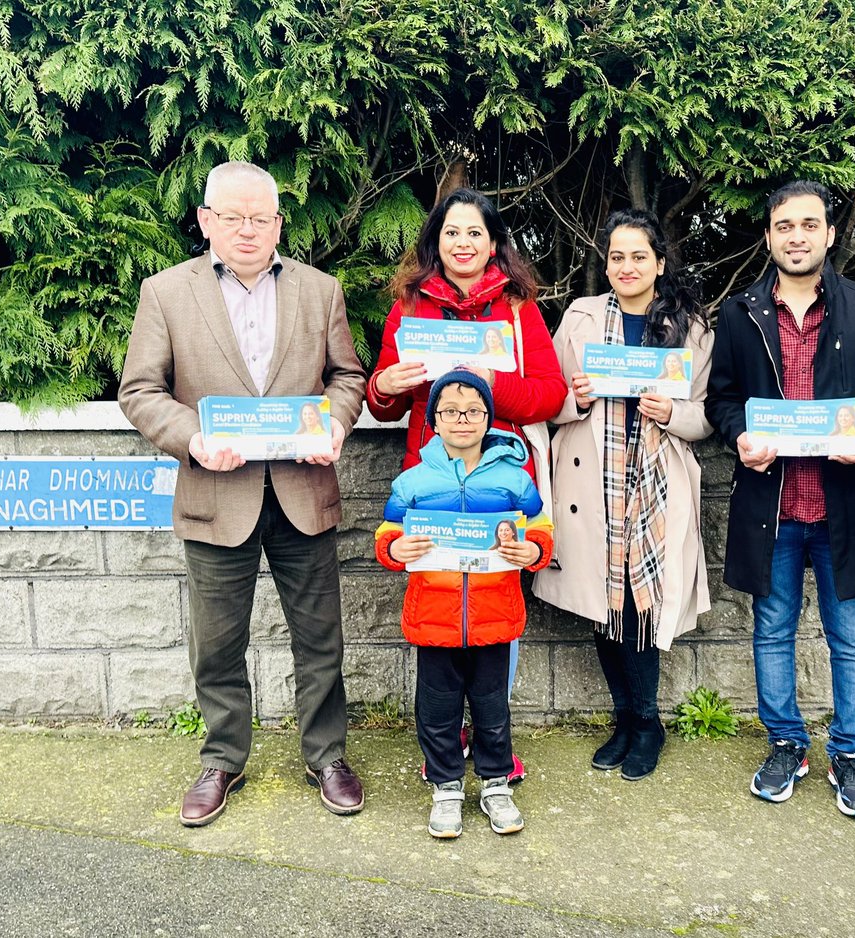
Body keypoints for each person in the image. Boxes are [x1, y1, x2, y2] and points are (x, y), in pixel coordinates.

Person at [119, 161, 368, 827]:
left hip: (301, 488)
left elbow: (348, 375)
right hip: (214, 493)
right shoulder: (167, 292)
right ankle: (223, 756)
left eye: (261, 217)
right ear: (206, 221)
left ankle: (327, 755)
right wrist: (193, 438)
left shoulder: (321, 290)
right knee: (217, 643)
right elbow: (140, 390)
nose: (249, 229)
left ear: (279, 223)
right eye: (233, 217)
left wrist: (334, 424)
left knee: (320, 639)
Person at [705, 180, 855, 817]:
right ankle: (785, 744)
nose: (796, 236)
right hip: (772, 510)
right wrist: (740, 435)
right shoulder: (741, 312)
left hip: (844, 509)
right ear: (770, 236)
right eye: (784, 226)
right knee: (771, 632)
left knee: (850, 637)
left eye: (809, 225)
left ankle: (851, 753)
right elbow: (720, 398)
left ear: (830, 235)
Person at [368, 187, 567, 783]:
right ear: (436, 241)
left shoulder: (517, 308)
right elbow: (381, 404)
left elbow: (550, 395)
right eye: (452, 233)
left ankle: (491, 745)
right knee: (440, 603)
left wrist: (491, 381)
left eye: (475, 233)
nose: (463, 244)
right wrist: (388, 382)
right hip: (430, 482)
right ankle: (444, 746)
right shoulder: (409, 306)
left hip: (497, 481)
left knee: (493, 609)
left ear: (493, 243)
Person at [533, 208, 714, 781]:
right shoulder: (581, 319)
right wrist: (577, 401)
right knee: (603, 605)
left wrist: (676, 414)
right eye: (616, 256)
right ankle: (624, 719)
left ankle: (646, 721)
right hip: (592, 481)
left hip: (656, 483)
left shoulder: (692, 327)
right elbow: (550, 399)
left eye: (640, 256)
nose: (627, 266)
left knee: (641, 607)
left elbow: (711, 412)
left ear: (660, 263)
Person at [375, 370, 553, 838]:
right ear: (433, 418)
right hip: (434, 617)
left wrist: (534, 550)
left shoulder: (514, 477)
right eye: (450, 411)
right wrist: (394, 550)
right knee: (437, 710)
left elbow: (540, 527)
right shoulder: (413, 480)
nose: (462, 420)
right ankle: (446, 786)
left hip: (494, 615)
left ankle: (496, 784)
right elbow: (388, 532)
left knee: (493, 708)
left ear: (488, 417)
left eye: (473, 411)